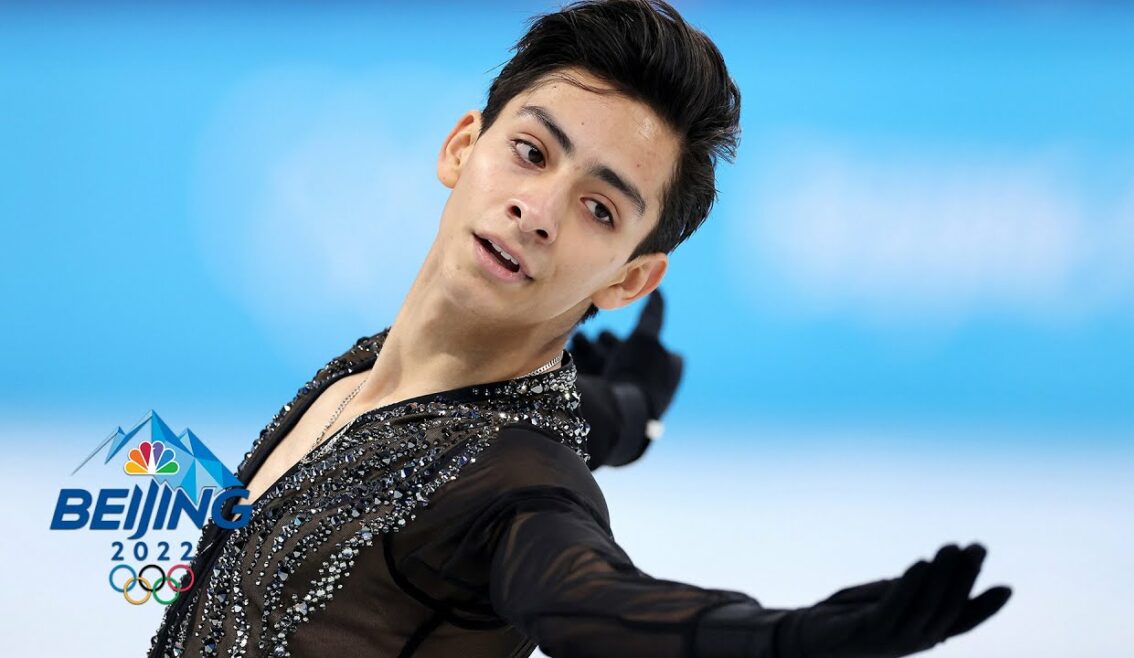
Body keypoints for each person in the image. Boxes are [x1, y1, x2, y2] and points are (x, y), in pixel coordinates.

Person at [147, 1, 1011, 656]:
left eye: (600, 209)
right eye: (531, 153)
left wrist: (777, 640)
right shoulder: (373, 377)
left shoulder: (517, 486)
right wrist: (629, 411)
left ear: (630, 279)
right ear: (463, 147)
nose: (539, 212)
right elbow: (486, 426)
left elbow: (590, 601)